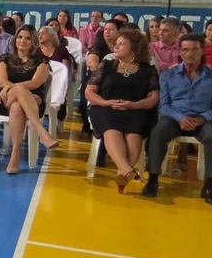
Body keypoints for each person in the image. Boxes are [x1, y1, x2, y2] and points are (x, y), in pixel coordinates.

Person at [84, 28, 159, 192]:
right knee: (111, 128)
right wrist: (105, 103)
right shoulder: (107, 65)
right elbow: (89, 92)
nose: (116, 46)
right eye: (116, 43)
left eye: (121, 44)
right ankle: (126, 169)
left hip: (136, 109)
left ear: (134, 48)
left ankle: (123, 173)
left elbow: (153, 98)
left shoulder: (148, 70)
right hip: (105, 108)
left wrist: (133, 105)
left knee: (134, 133)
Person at [142, 33, 212, 202]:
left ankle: (209, 185)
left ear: (202, 51)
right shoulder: (168, 75)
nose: (190, 54)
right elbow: (163, 104)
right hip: (174, 117)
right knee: (158, 132)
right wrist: (180, 118)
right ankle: (153, 179)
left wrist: (202, 118)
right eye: (185, 50)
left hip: (203, 119)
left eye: (194, 49)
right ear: (180, 52)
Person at [0, 25, 59, 174]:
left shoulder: (42, 61)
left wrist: (23, 93)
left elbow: (35, 83)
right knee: (20, 92)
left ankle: (15, 154)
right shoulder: (4, 58)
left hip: (33, 103)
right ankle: (42, 132)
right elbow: (2, 81)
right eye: (20, 37)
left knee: (17, 107)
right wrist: (23, 91)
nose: (22, 41)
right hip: (5, 97)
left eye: (27, 38)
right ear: (15, 39)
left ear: (33, 41)